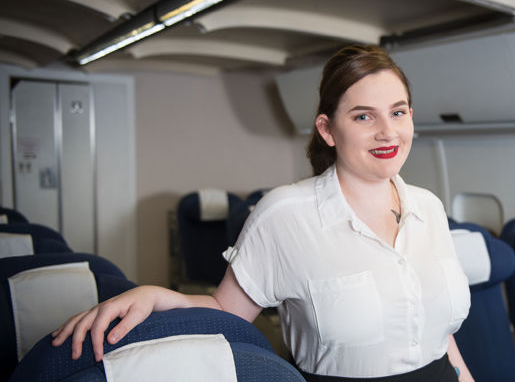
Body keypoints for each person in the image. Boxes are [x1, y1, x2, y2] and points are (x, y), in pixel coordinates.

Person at [52, 45, 474, 381]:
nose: (387, 132)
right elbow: (227, 313)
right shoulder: (286, 214)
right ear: (327, 129)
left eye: (397, 112)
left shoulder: (429, 207)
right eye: (364, 116)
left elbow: (439, 333)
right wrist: (154, 295)